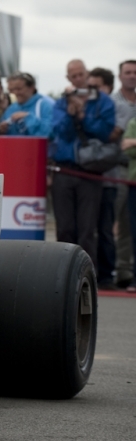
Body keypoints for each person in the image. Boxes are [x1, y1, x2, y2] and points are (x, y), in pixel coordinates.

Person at [51, 59, 116, 270]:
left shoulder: (103, 101)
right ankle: (62, 273)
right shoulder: (62, 102)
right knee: (65, 227)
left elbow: (105, 132)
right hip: (64, 169)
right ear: (68, 79)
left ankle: (87, 273)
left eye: (81, 75)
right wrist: (71, 115)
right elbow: (60, 132)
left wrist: (83, 115)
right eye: (73, 76)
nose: (78, 79)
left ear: (87, 75)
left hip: (89, 171)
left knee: (88, 229)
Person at [87, 67, 120, 289]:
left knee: (106, 229)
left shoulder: (111, 108)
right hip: (88, 177)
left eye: (97, 87)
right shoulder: (89, 107)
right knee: (89, 228)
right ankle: (93, 271)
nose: (93, 91)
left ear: (107, 87)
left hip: (109, 180)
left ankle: (107, 274)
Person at [113, 60, 136, 288]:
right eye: (128, 72)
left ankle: (126, 271)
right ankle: (115, 269)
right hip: (115, 170)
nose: (132, 76)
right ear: (120, 76)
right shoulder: (111, 102)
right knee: (112, 222)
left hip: (134, 171)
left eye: (135, 73)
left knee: (130, 226)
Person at [0, 72, 54, 137]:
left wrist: (28, 117)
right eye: (11, 90)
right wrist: (1, 131)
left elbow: (51, 134)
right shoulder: (10, 109)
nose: (15, 93)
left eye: (19, 89)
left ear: (31, 88)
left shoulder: (45, 106)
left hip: (37, 147)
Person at [121, 115, 136, 292]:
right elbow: (127, 150)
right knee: (134, 233)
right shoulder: (133, 122)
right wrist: (131, 144)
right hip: (134, 185)